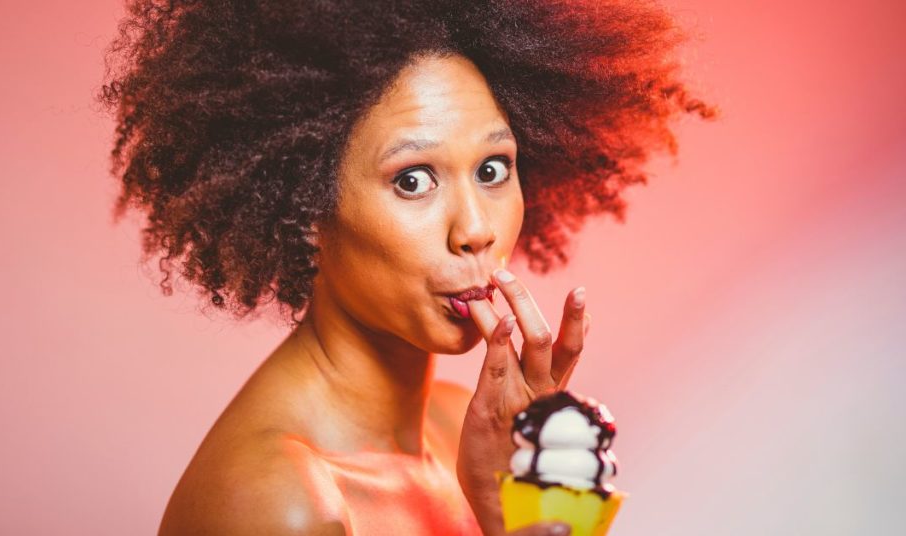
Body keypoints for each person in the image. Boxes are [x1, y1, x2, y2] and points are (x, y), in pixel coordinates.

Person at [99, 1, 716, 534]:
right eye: (413, 180)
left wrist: (538, 508)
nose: (475, 228)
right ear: (302, 204)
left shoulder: (470, 432)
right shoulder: (280, 504)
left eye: (492, 169)